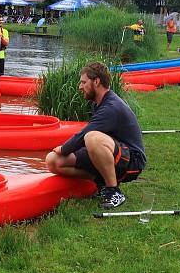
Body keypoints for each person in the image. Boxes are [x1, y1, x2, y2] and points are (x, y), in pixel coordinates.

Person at [45, 62, 146, 209]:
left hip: (132, 161)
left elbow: (85, 135)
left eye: (84, 82)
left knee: (92, 137)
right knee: (53, 161)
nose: (80, 87)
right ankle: (101, 183)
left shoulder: (111, 107)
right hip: (114, 152)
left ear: (96, 82)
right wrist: (61, 153)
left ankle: (113, 191)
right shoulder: (98, 103)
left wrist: (63, 149)